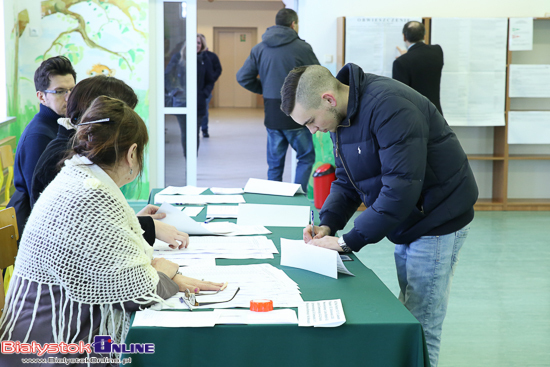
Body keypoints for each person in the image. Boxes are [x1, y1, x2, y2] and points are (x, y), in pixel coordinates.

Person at [0, 96, 224, 366]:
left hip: (35, 332)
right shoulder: (91, 193)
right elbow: (138, 292)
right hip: (51, 349)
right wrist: (164, 273)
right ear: (132, 154)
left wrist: (155, 269)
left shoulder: (79, 176)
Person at [281, 64, 478, 367]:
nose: (312, 130)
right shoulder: (341, 118)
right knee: (409, 312)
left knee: (420, 324)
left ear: (328, 100)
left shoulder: (390, 108)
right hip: (409, 219)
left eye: (310, 121)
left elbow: (400, 190)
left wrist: (348, 242)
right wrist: (327, 224)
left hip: (437, 218)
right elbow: (347, 181)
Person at [30, 74, 187, 248]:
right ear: (97, 112)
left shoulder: (76, 150)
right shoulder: (66, 160)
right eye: (120, 113)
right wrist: (147, 227)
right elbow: (85, 235)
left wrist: (134, 222)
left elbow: (95, 222)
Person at [236, 8, 318, 193]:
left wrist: (264, 89)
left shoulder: (259, 48)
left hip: (272, 114)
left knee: (274, 165)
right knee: (305, 158)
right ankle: (298, 198)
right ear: (293, 24)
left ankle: (275, 202)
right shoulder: (302, 47)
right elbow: (318, 77)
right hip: (298, 113)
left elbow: (243, 77)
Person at [8, 56, 76, 237]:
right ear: (41, 97)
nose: (69, 98)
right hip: (36, 231)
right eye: (60, 91)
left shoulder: (61, 124)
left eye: (72, 90)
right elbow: (39, 199)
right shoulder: (38, 136)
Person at [165, 36, 215, 157]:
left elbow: (210, 80)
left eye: (199, 43)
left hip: (198, 103)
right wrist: (174, 90)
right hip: (181, 102)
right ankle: (187, 160)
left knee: (194, 133)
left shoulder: (205, 59)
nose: (197, 45)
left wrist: (204, 93)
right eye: (194, 42)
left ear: (202, 45)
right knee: (185, 133)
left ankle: (193, 161)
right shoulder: (178, 57)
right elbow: (167, 75)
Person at [393, 21, 444, 115]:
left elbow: (399, 98)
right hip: (436, 114)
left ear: (404, 37)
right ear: (424, 36)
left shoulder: (401, 62)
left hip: (415, 117)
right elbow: (419, 59)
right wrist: (407, 56)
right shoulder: (437, 51)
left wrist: (405, 57)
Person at [198, 34, 222, 138]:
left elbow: (218, 69)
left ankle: (204, 129)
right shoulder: (186, 56)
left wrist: (211, 80)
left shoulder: (211, 56)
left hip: (204, 90)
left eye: (199, 42)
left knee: (204, 111)